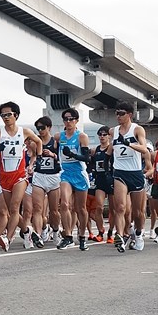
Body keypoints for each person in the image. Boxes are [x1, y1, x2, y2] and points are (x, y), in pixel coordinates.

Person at [0, 101, 43, 251]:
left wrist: (39, 158)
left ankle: (8, 239)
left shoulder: (24, 132)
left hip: (19, 175)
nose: (6, 117)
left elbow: (39, 141)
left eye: (8, 114)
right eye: (3, 115)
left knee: (15, 207)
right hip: (4, 176)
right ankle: (28, 230)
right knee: (11, 210)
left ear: (16, 115)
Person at [107, 102, 152, 252]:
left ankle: (138, 234)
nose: (118, 116)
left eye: (121, 113)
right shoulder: (113, 131)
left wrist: (128, 143)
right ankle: (120, 236)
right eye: (117, 113)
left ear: (129, 115)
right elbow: (109, 151)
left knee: (138, 213)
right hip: (119, 172)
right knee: (119, 207)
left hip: (135, 173)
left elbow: (144, 149)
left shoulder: (137, 129)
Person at [57, 107, 91, 251]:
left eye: (71, 119)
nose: (68, 121)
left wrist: (72, 154)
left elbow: (87, 157)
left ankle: (82, 235)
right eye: (66, 119)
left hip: (79, 173)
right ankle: (68, 236)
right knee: (64, 204)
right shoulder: (59, 137)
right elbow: (53, 150)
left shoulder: (81, 136)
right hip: (65, 172)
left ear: (76, 120)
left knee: (80, 208)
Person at [30, 116, 60, 248]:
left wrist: (53, 155)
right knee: (37, 208)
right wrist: (31, 166)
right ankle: (38, 234)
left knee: (53, 210)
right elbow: (33, 157)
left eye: (42, 128)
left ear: (49, 127)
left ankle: (55, 231)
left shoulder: (55, 142)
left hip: (53, 176)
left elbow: (62, 158)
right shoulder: (35, 142)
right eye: (38, 128)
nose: (40, 130)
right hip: (40, 176)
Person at [90, 126, 114, 243]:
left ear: (109, 136)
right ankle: (100, 231)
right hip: (100, 180)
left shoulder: (112, 148)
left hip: (111, 180)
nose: (102, 137)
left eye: (104, 134)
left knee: (113, 209)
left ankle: (111, 233)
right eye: (100, 134)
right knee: (99, 206)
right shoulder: (96, 150)